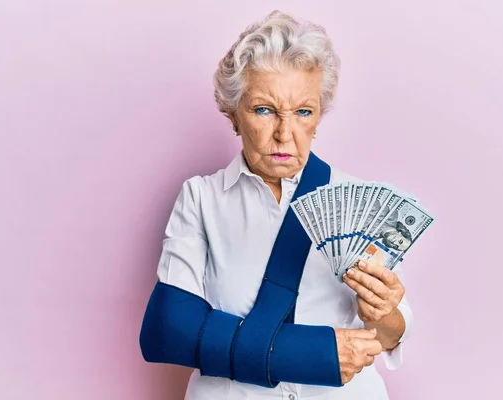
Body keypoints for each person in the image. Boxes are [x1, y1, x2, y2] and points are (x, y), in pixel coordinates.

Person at [139, 10, 414, 400]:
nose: (285, 133)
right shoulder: (200, 199)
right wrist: (310, 354)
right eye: (263, 110)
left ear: (318, 118)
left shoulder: (357, 201)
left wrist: (382, 311)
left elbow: (389, 336)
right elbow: (169, 331)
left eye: (303, 112)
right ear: (234, 115)